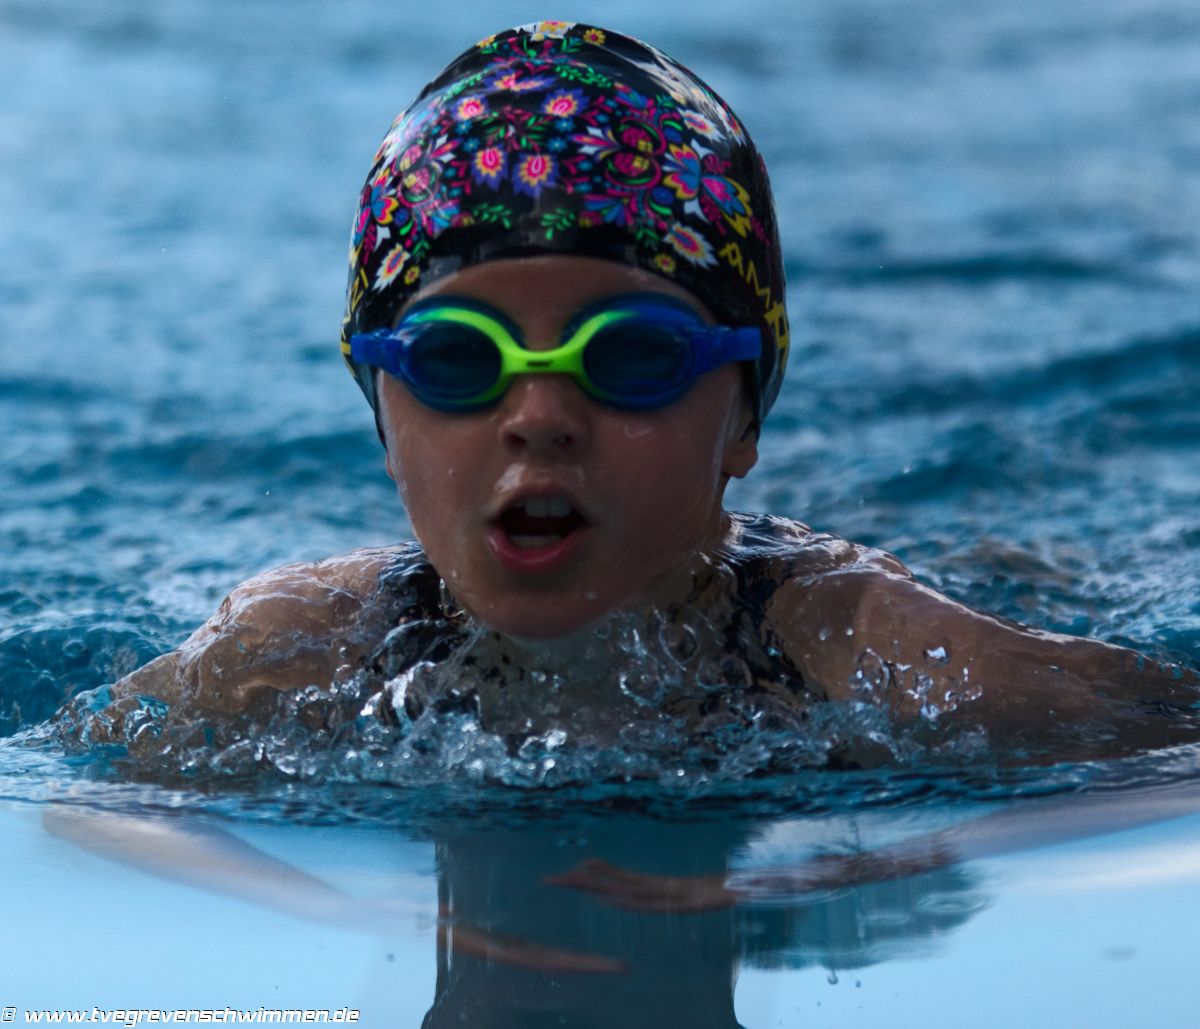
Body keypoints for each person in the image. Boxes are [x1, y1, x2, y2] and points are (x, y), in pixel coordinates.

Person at [65, 20, 1197, 767]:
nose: (539, 416)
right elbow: (92, 801)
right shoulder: (307, 640)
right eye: (458, 359)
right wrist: (327, 905)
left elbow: (1168, 749)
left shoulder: (850, 638)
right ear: (382, 411)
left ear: (743, 416)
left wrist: (867, 861)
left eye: (633, 356)